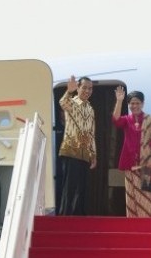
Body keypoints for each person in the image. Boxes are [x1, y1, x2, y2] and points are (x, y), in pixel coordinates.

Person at [112, 86, 151, 217]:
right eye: (132, 103)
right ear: (129, 104)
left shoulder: (150, 119)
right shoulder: (127, 119)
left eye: (137, 103)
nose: (134, 106)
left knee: (148, 195)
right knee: (132, 195)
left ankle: (150, 221)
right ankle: (134, 222)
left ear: (143, 104)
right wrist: (119, 101)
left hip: (147, 165)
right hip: (130, 163)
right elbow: (116, 121)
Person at [58, 75, 97, 215]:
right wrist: (69, 91)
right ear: (78, 88)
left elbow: (91, 133)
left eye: (90, 88)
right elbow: (62, 102)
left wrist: (93, 154)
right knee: (70, 186)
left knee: (82, 188)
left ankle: (78, 216)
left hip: (85, 153)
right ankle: (65, 216)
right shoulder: (72, 102)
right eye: (84, 87)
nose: (87, 91)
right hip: (71, 150)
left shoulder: (90, 109)